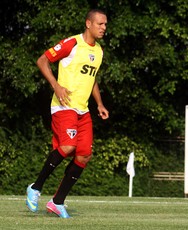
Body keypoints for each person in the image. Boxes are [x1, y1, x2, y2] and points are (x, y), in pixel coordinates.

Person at [26, 9, 109, 218]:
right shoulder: (72, 43)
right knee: (67, 146)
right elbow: (42, 60)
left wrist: (99, 103)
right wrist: (56, 86)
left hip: (83, 109)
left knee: (84, 155)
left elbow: (92, 78)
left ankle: (57, 202)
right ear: (88, 23)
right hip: (64, 106)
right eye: (100, 24)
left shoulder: (98, 51)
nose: (103, 28)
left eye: (105, 24)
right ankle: (35, 187)